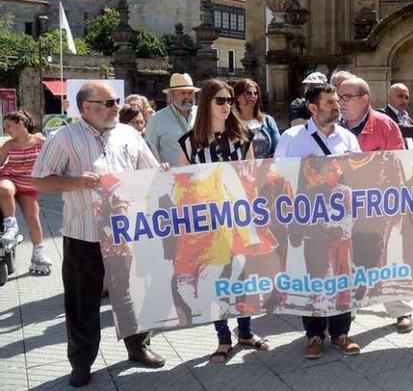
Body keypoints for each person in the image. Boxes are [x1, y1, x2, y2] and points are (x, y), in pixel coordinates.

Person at [31, 82, 166, 387]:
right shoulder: (64, 138)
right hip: (85, 234)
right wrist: (76, 182)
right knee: (83, 303)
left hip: (127, 231)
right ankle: (81, 363)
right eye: (108, 103)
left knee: (134, 296)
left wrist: (164, 173)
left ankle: (138, 348)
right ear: (86, 108)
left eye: (116, 101)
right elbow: (40, 180)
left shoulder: (129, 134)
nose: (116, 106)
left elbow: (151, 171)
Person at [177, 79, 270, 363]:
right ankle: (222, 337)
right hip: (209, 223)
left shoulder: (243, 137)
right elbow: (182, 185)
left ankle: (245, 331)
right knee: (215, 279)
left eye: (230, 100)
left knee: (242, 277)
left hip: (240, 221)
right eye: (221, 100)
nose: (227, 105)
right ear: (207, 103)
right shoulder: (189, 143)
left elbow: (252, 177)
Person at [275, 83, 362, 359]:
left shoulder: (347, 138)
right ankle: (314, 334)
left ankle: (340, 334)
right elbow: (279, 177)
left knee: (341, 277)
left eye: (338, 102)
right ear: (313, 108)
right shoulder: (291, 138)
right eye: (330, 103)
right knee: (314, 277)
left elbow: (359, 176)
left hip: (340, 224)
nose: (337, 107)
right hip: (310, 224)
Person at [337, 76, 413, 333]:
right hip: (344, 207)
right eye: (339, 97)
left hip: (378, 205)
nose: (340, 102)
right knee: (346, 257)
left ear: (364, 99)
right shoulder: (334, 125)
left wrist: (395, 203)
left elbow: (398, 163)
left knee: (386, 258)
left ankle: (399, 309)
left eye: (346, 97)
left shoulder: (385, 125)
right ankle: (350, 307)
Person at [0, 110, 51, 274]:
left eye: (8, 126)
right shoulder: (8, 144)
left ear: (21, 123)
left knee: (34, 222)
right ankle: (11, 226)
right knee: (4, 188)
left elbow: (55, 157)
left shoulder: (40, 141)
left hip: (29, 186)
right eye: (4, 127)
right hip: (11, 178)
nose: (6, 130)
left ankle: (39, 255)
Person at [145, 73, 198, 165]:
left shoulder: (202, 114)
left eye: (190, 93)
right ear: (171, 96)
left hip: (203, 175)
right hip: (173, 177)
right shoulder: (157, 119)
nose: (188, 97)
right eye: (183, 93)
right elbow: (149, 152)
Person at [233, 78, 281, 159]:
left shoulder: (268, 121)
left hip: (266, 169)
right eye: (248, 93)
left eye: (255, 93)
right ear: (237, 96)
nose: (253, 96)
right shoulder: (231, 123)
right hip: (241, 169)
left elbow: (278, 149)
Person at [382, 83, 413, 147]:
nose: (404, 100)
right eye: (400, 96)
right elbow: (395, 129)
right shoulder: (382, 115)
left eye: (406, 98)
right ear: (389, 98)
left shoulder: (408, 119)